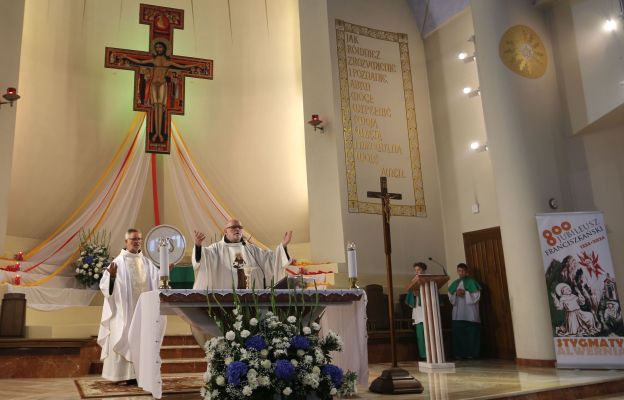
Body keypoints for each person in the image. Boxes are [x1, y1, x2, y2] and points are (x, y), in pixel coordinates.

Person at [97, 228, 163, 385]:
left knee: (141, 340)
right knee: (123, 336)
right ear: (126, 242)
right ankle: (121, 376)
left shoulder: (146, 262)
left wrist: (165, 273)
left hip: (142, 311)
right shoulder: (117, 262)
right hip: (123, 312)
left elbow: (157, 282)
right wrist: (112, 276)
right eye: (134, 239)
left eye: (139, 239)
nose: (137, 242)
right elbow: (106, 288)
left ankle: (138, 374)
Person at [192, 219, 293, 290]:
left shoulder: (250, 249)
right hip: (227, 299)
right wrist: (198, 245)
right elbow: (204, 258)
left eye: (240, 227)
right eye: (233, 227)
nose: (237, 229)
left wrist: (283, 246)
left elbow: (270, 260)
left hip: (251, 299)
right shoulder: (216, 249)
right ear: (225, 231)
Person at [448, 262, 482, 359]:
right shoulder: (455, 283)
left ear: (466, 272)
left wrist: (465, 293)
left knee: (472, 334)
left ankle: (472, 354)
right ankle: (460, 354)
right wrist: (455, 294)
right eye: (459, 271)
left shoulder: (472, 282)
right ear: (457, 272)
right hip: (458, 313)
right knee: (459, 334)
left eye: (463, 271)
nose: (461, 272)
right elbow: (450, 297)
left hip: (470, 313)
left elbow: (476, 296)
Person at [405, 261, 427, 359]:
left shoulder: (429, 279)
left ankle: (432, 354)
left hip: (428, 309)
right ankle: (423, 355)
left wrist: (421, 293)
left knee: (429, 334)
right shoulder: (414, 281)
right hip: (418, 310)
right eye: (416, 270)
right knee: (420, 335)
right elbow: (410, 297)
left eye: (419, 270)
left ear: (424, 270)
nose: (417, 272)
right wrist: (414, 295)